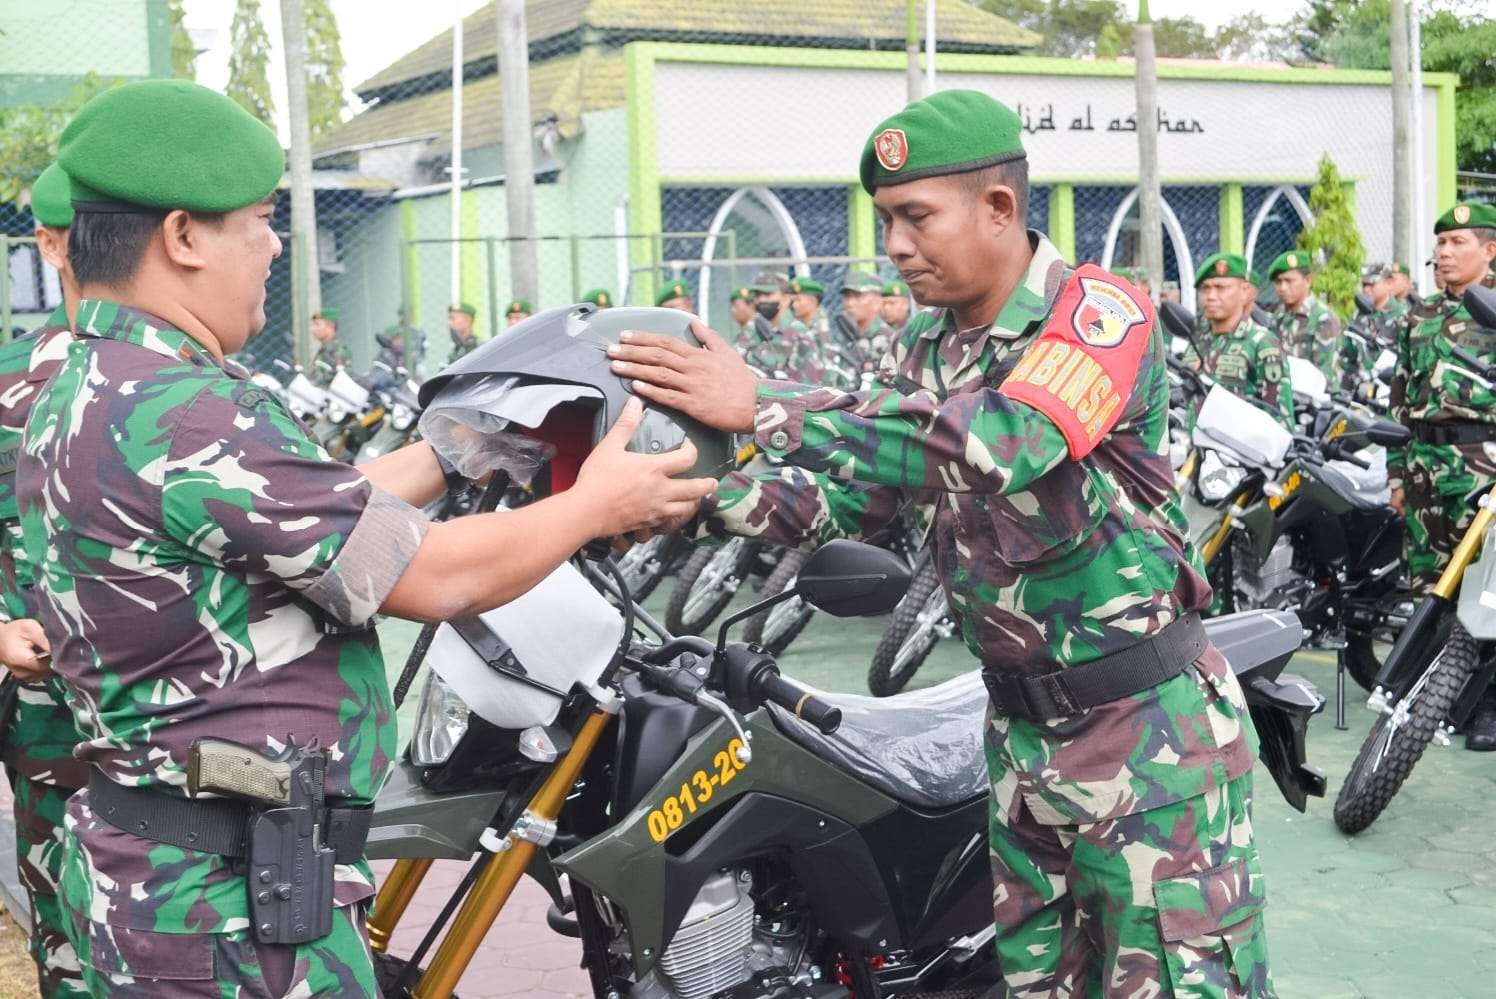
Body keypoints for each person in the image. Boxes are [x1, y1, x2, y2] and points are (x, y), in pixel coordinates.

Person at [18, 79, 715, 998]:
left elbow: (310, 519)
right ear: (183, 236)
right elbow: (427, 576)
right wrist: (597, 502)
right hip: (224, 913)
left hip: (168, 876)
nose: (274, 245)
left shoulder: (90, 380)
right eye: (260, 221)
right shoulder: (184, 410)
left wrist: (460, 448)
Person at [607, 89, 1271, 997]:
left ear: (998, 208)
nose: (895, 247)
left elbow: (998, 442)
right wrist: (687, 498)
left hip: (1147, 738)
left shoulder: (1099, 312)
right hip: (1019, 741)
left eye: (915, 217)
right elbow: (851, 503)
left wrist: (765, 402)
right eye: (885, 221)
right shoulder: (929, 343)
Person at [0, 161, 88, 999]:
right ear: (50, 244)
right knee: (66, 922)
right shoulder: (8, 386)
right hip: (51, 717)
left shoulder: (212, 390)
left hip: (181, 720)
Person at [1386, 202, 1496, 750]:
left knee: (1488, 589)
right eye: (1442, 243)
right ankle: (1429, 700)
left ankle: (1488, 707)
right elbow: (1400, 399)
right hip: (1426, 465)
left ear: (1489, 250)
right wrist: (1397, 475)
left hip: (1483, 463)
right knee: (1429, 585)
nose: (1445, 252)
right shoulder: (1418, 315)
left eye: (1458, 243)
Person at [1185, 252, 1296, 429]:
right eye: (1205, 288)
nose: (1211, 296)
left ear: (1244, 292)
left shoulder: (1262, 344)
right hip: (1190, 451)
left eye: (1221, 288)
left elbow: (1281, 421)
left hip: (1234, 454)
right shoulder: (1196, 341)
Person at [1269, 249, 1342, 382]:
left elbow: (1324, 374)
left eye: (1289, 281)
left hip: (1314, 396)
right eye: (1278, 282)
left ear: (1308, 280)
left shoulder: (1323, 319)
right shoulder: (1279, 316)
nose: (1283, 288)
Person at [840, 271, 896, 368]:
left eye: (857, 296)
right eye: (847, 297)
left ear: (877, 302)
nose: (849, 303)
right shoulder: (847, 336)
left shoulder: (887, 340)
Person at [310, 306, 349, 386]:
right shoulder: (325, 349)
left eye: (317, 324)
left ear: (331, 326)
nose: (313, 329)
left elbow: (341, 382)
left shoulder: (339, 350)